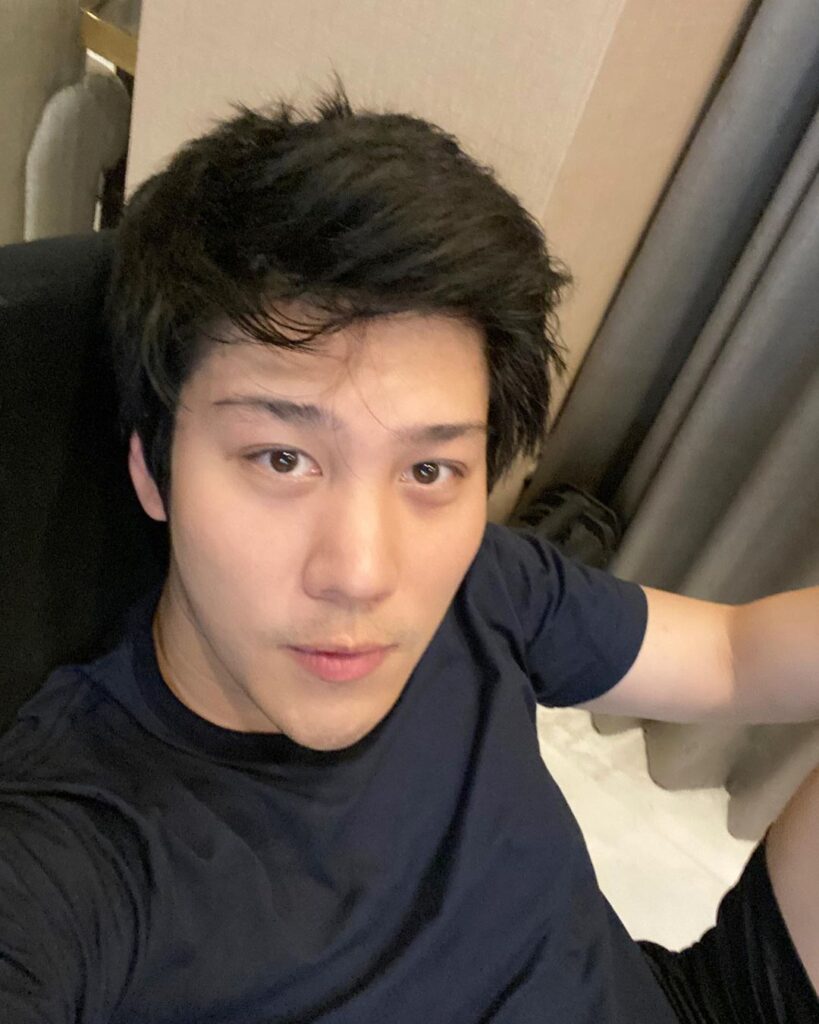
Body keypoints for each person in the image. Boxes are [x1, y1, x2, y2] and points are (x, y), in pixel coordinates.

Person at [1, 87, 816, 1024]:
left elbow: (730, 656)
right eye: (282, 459)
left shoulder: (481, 583)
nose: (362, 573)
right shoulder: (71, 855)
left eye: (429, 469)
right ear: (153, 469)